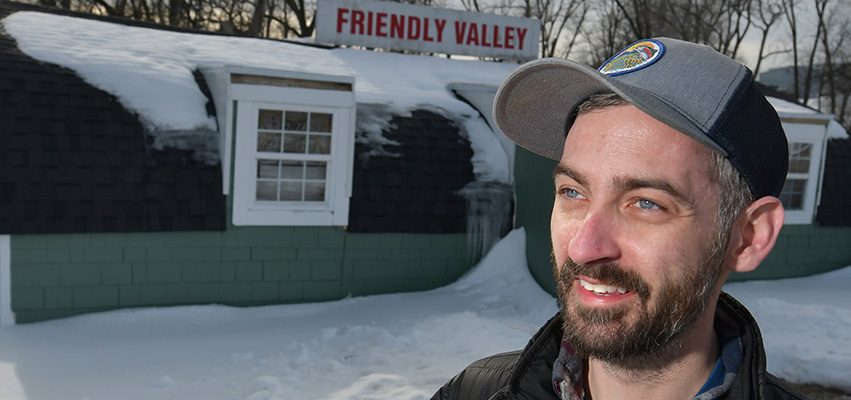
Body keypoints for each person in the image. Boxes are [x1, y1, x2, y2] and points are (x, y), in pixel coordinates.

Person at [431, 38, 807, 400]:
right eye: (573, 193)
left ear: (748, 237)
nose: (583, 247)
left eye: (645, 203)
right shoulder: (471, 391)